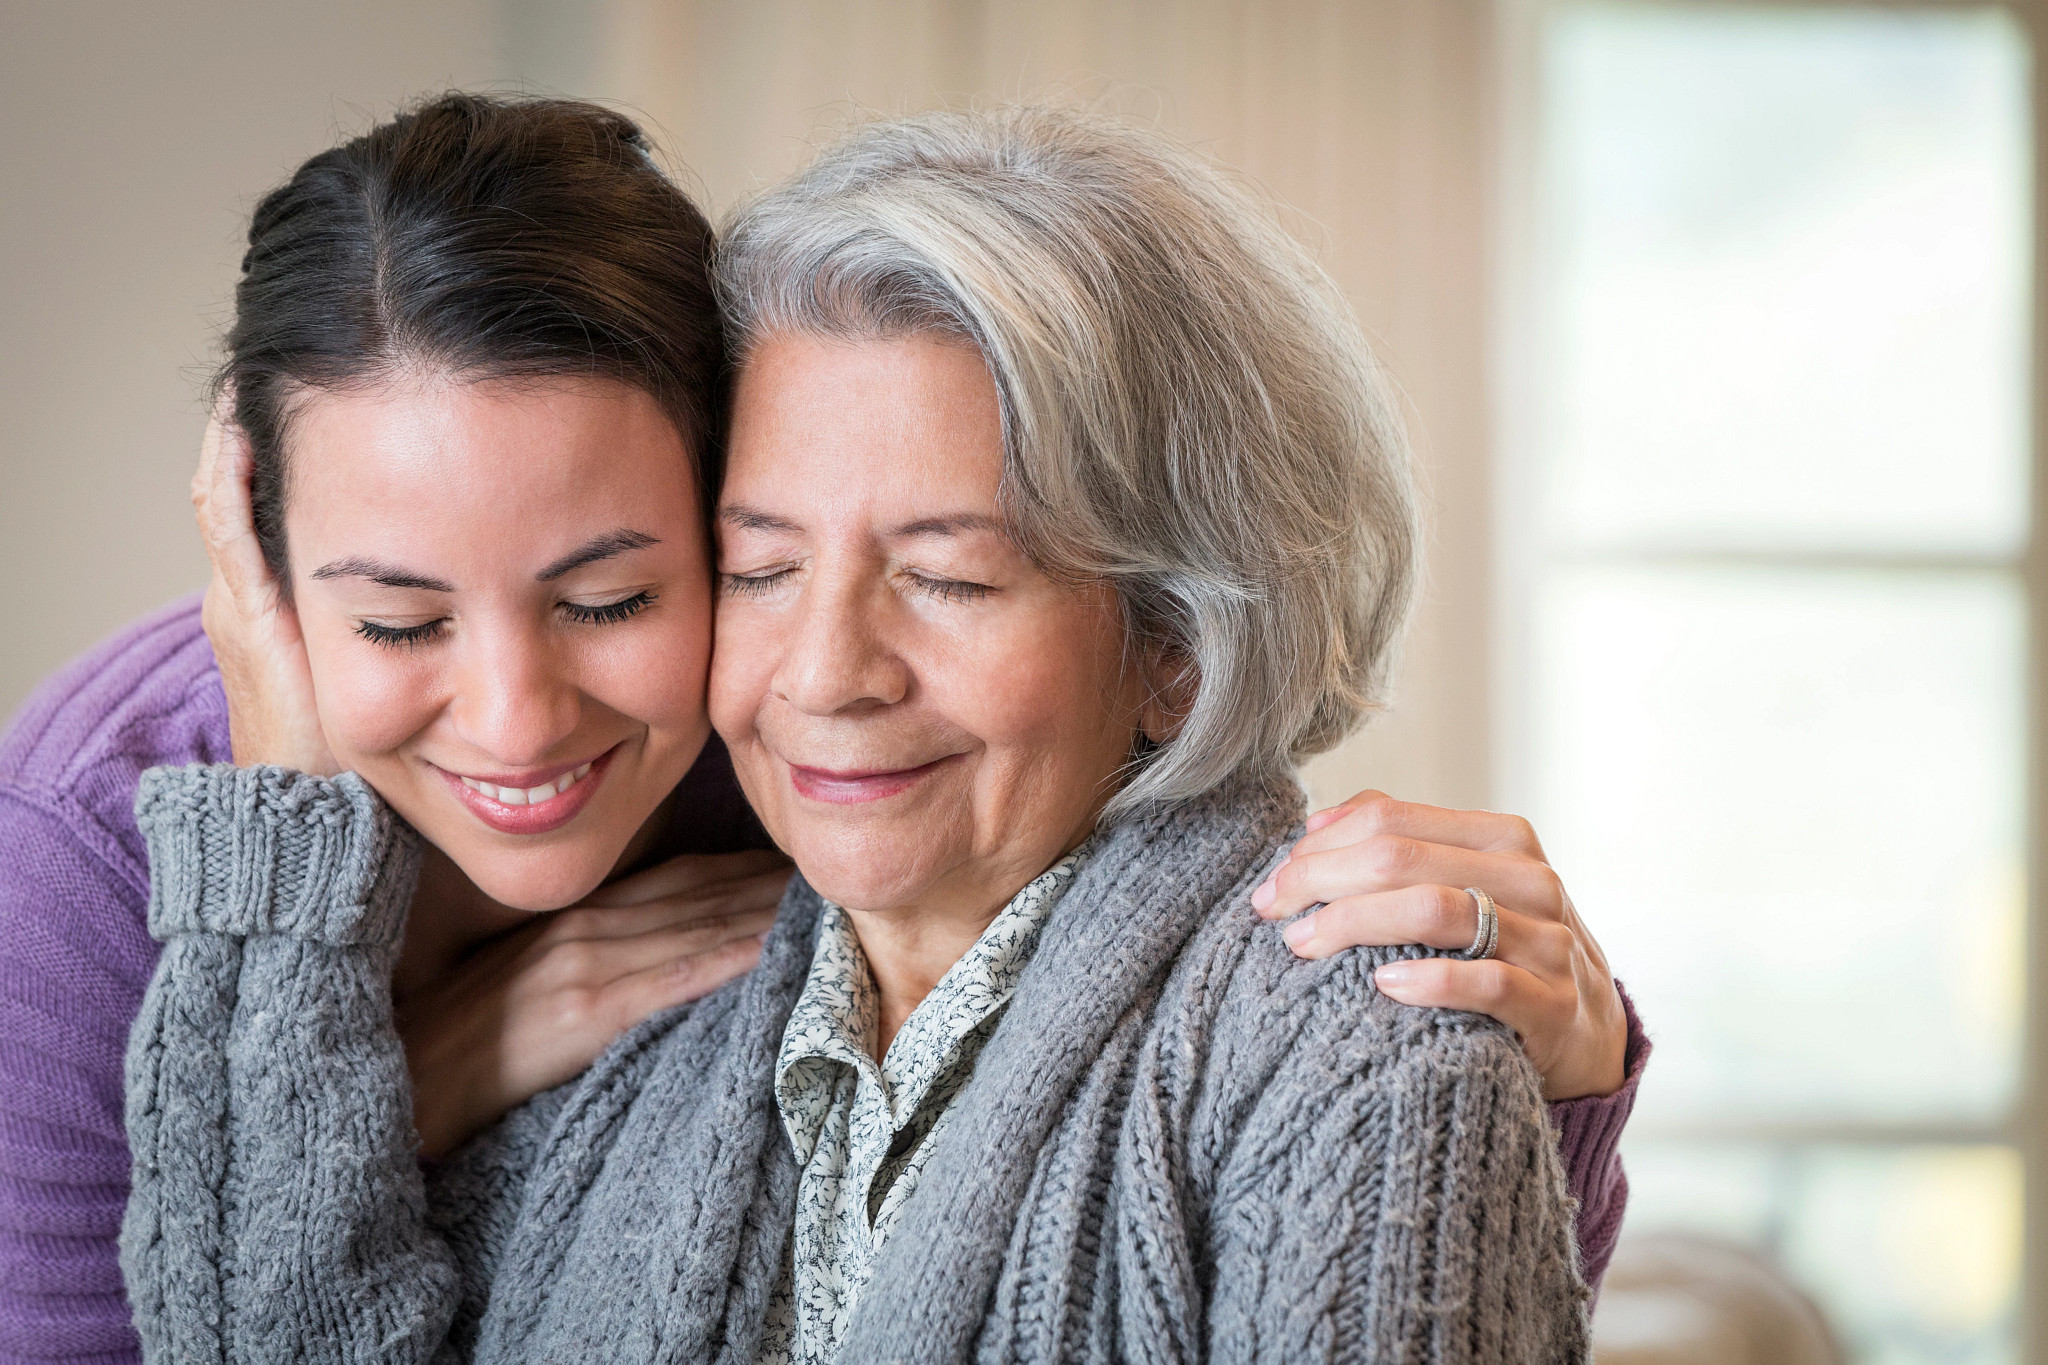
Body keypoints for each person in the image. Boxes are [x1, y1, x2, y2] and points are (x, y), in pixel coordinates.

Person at [118, 104, 1627, 1362]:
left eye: (949, 578)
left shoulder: (1357, 1038)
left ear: (1172, 642)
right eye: (761, 567)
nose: (825, 672)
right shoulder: (637, 1025)